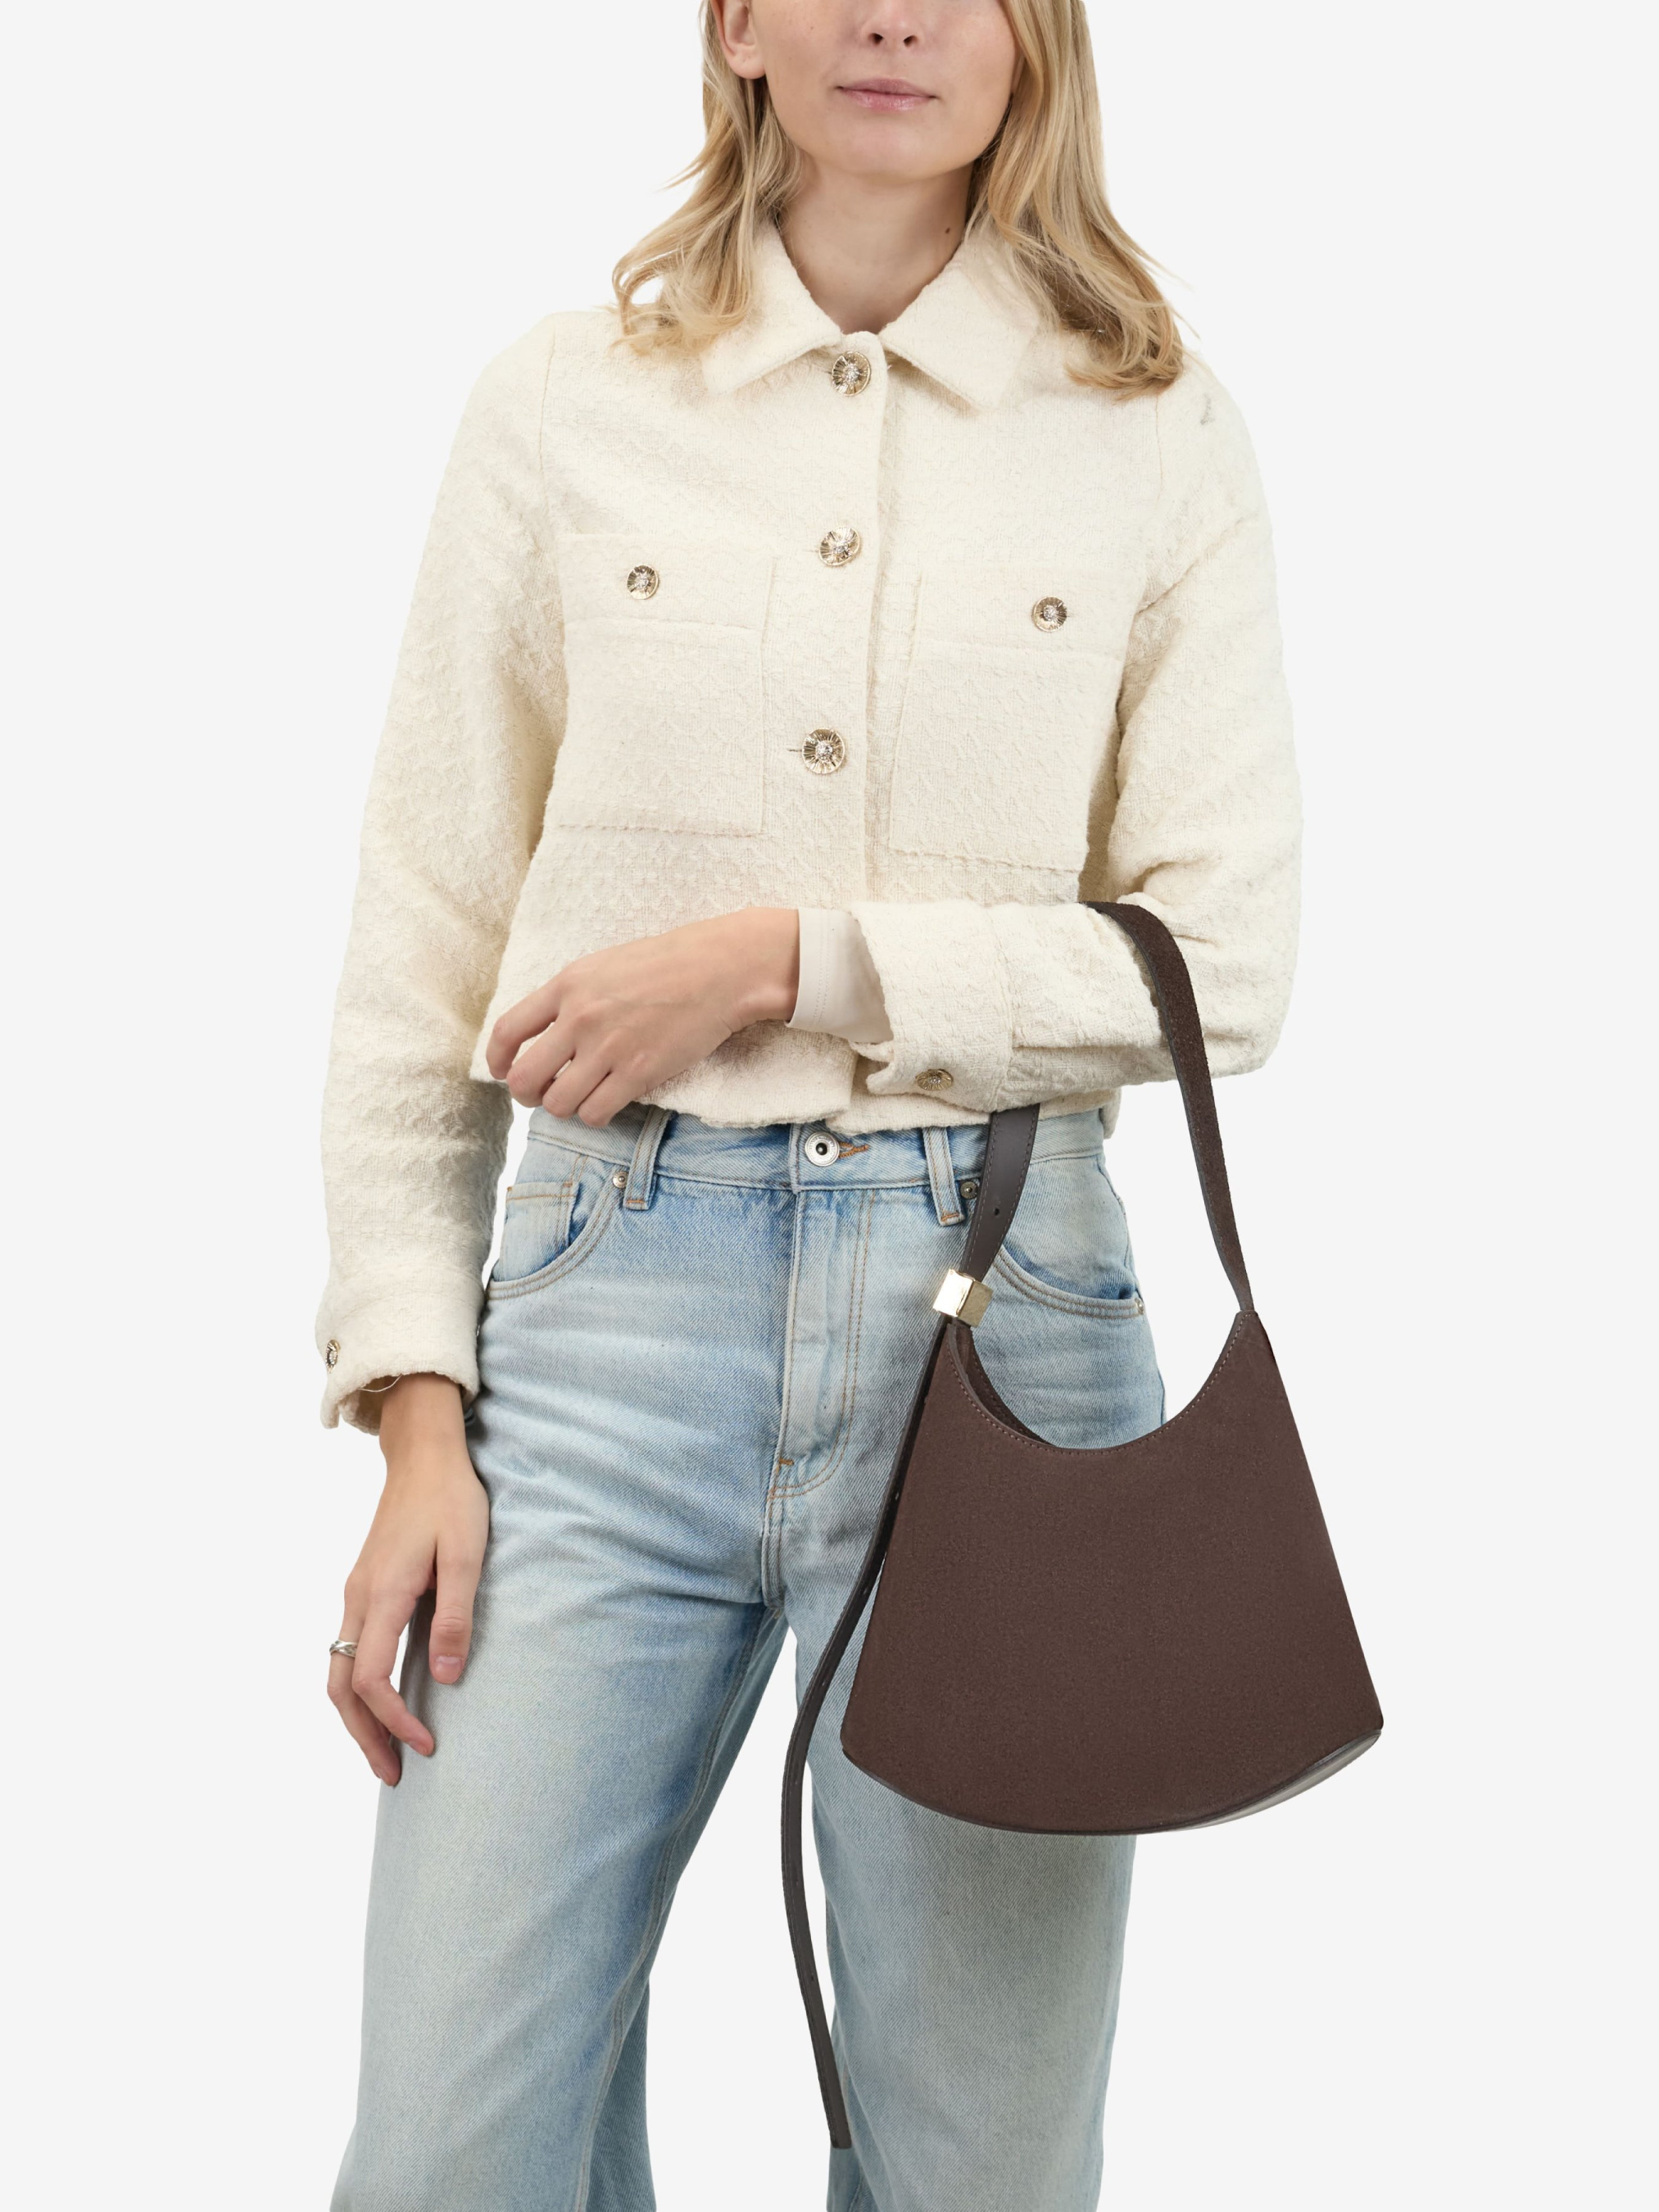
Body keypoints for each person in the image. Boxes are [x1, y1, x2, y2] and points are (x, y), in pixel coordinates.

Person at [317, 2, 1299, 2205]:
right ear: (737, 24)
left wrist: (790, 961)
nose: (890, 16)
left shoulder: (1150, 429)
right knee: (449, 2151)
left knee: (978, 2166)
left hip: (1011, 1332)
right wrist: (412, 1411)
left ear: (1032, 35)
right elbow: (421, 938)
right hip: (598, 1330)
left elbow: (1220, 960)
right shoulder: (563, 402)